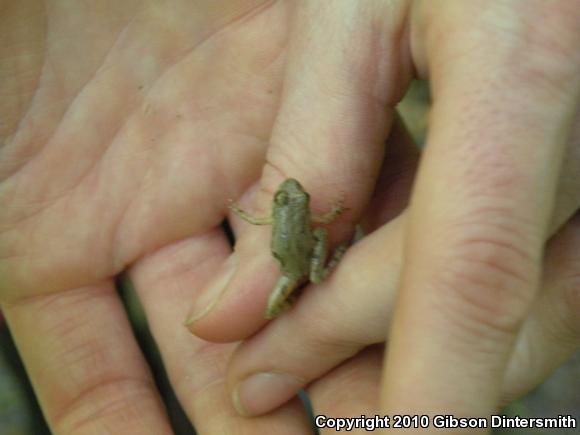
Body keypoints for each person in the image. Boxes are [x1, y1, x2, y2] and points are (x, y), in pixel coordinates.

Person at [1, 1, 579, 433]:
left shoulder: (285, 207)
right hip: (279, 255)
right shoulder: (288, 208)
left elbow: (275, 218)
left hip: (292, 255)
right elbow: (278, 218)